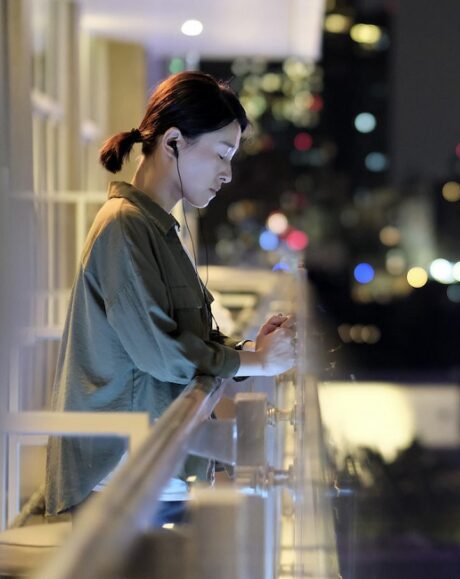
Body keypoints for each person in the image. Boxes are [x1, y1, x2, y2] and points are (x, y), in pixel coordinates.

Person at [44, 71, 296, 524]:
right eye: (222, 153)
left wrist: (247, 348)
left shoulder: (157, 229)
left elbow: (179, 338)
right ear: (174, 141)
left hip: (149, 471)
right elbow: (161, 352)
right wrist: (257, 364)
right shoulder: (123, 225)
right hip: (118, 481)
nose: (227, 173)